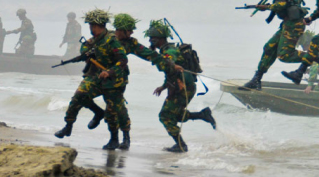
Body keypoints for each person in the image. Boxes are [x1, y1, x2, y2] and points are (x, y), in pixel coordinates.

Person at [54, 9, 128, 150]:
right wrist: (86, 53)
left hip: (113, 80)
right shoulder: (92, 41)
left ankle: (114, 139)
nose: (91, 29)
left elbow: (123, 60)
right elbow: (84, 48)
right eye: (90, 26)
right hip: (94, 76)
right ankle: (68, 126)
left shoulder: (112, 40)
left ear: (99, 25)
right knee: (78, 96)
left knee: (113, 110)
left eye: (92, 26)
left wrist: (110, 71)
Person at [145, 20, 217, 152]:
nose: (150, 40)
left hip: (184, 88)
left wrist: (167, 62)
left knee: (165, 116)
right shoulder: (167, 49)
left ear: (159, 39)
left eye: (152, 38)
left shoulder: (169, 50)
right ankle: (202, 115)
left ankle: (181, 145)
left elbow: (168, 62)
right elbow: (171, 73)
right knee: (176, 116)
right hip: (183, 87)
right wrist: (163, 86)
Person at [241, 0, 308, 90]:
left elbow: (281, 4)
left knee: (285, 55)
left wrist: (265, 7)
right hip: (290, 23)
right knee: (269, 47)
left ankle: (317, 56)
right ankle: (256, 79)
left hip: (292, 24)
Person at [107, 13, 165, 150]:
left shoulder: (130, 43)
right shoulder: (106, 38)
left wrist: (167, 63)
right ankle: (113, 138)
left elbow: (147, 54)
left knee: (117, 108)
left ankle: (125, 138)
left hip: (117, 80)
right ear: (121, 29)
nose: (132, 32)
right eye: (130, 30)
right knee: (107, 109)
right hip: (101, 77)